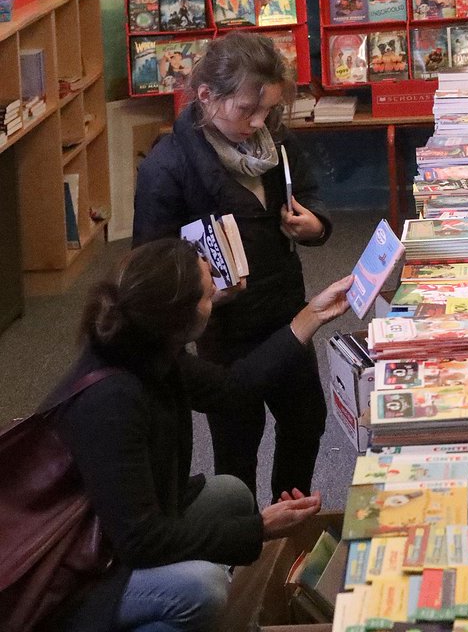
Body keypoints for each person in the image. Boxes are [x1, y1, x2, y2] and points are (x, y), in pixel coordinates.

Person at [48, 239, 354, 631]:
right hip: (84, 572)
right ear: (180, 315)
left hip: (123, 530)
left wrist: (313, 313)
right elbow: (140, 540)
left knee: (229, 494)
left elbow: (234, 389)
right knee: (203, 589)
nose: (218, 293)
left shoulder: (150, 349)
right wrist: (259, 529)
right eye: (209, 292)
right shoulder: (111, 401)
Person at [133, 31, 333, 500]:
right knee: (237, 442)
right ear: (206, 96)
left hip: (286, 310)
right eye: (248, 110)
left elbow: (310, 195)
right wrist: (197, 294)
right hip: (224, 330)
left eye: (270, 110)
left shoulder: (274, 141)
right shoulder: (167, 168)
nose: (259, 122)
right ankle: (242, 550)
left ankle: (287, 526)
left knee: (306, 420)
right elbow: (149, 271)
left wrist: (315, 224)